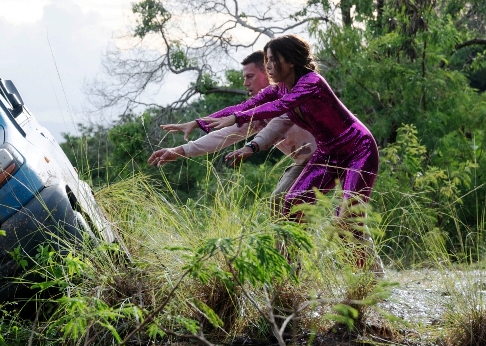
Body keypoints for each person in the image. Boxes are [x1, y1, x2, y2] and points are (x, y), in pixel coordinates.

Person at [199, 35, 380, 268]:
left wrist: (237, 119)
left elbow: (278, 107)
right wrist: (198, 123)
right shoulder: (280, 89)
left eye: (273, 60)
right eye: (267, 60)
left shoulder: (311, 82)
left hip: (358, 149)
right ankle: (290, 272)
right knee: (291, 205)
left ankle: (367, 280)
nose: (269, 66)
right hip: (327, 153)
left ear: (291, 61)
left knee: (346, 219)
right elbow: (245, 106)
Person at [147, 51, 318, 215]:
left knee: (334, 210)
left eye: (250, 76)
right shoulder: (255, 114)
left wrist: (250, 147)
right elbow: (223, 135)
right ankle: (289, 244)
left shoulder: (291, 96)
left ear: (269, 73)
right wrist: (179, 150)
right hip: (306, 163)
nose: (245, 83)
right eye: (244, 77)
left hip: (331, 154)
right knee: (278, 202)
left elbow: (278, 124)